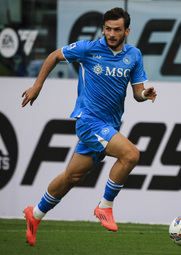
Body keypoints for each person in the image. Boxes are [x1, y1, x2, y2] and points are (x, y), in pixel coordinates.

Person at [21, 7, 157, 246]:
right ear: (102, 29)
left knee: (72, 176)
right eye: (108, 29)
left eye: (117, 29)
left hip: (109, 124)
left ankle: (36, 213)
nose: (111, 34)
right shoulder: (88, 49)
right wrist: (37, 86)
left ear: (126, 31)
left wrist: (145, 94)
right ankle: (105, 206)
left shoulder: (133, 55)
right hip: (88, 121)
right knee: (131, 155)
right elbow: (54, 56)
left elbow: (137, 93)